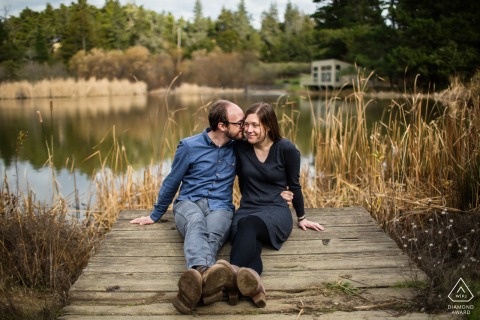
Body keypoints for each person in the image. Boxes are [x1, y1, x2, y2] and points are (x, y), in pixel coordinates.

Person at [129, 99, 245, 314]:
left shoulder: (240, 147)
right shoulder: (189, 146)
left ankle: (197, 283)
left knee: (214, 232)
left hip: (221, 206)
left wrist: (281, 192)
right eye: (240, 123)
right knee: (196, 222)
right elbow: (172, 181)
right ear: (222, 125)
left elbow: (264, 165)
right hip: (188, 203)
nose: (244, 127)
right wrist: (155, 215)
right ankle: (206, 275)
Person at [222, 102, 325, 308]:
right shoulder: (240, 147)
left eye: (255, 125)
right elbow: (215, 142)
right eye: (246, 125)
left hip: (275, 211)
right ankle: (253, 288)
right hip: (248, 208)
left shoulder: (286, 149)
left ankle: (230, 281)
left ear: (268, 126)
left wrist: (302, 217)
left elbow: (294, 185)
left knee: (248, 226)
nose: (248, 129)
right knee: (250, 240)